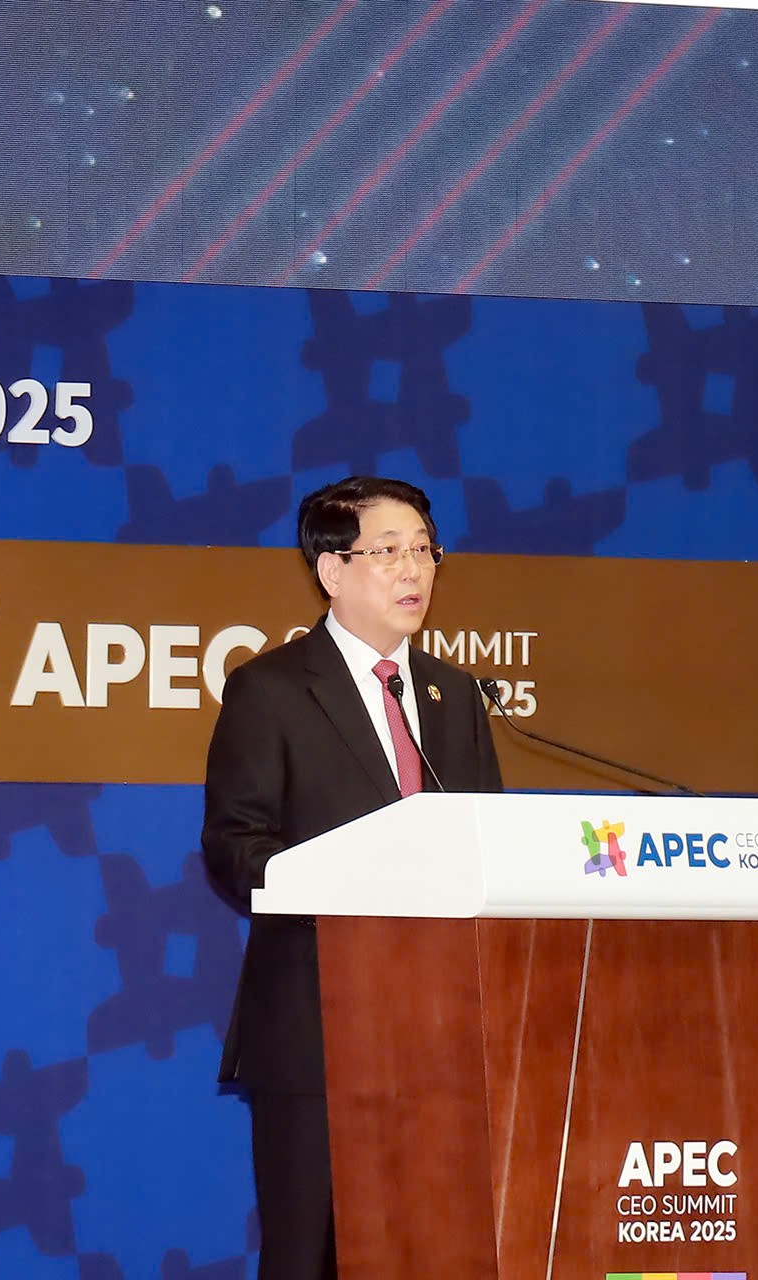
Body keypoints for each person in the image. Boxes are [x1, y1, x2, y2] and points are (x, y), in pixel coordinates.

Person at [201, 476, 504, 1280]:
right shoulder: (270, 690)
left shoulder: (455, 695)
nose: (414, 570)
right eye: (388, 551)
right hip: (317, 1023)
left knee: (430, 1253)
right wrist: (349, 886)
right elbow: (235, 846)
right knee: (311, 1256)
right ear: (332, 570)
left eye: (425, 551)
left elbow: (487, 843)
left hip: (442, 1030)